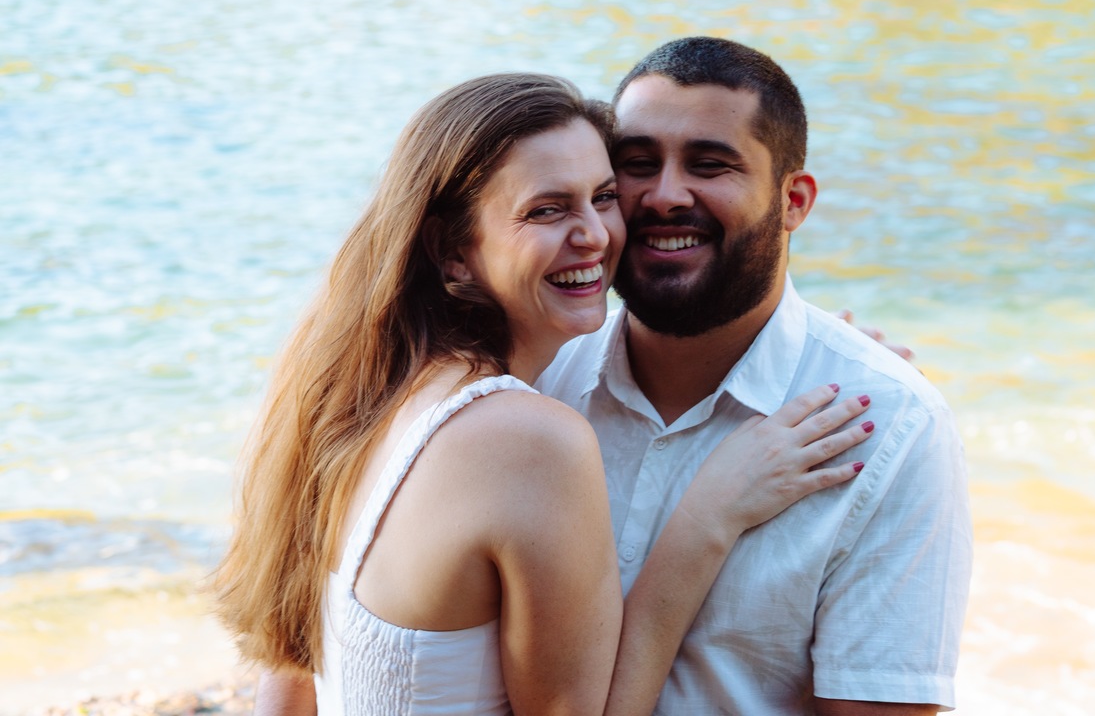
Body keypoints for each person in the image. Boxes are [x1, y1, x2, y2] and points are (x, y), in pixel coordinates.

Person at [212, 72, 878, 715]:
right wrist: (708, 516)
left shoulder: (363, 398)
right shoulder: (527, 438)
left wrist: (821, 353)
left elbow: (292, 679)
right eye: (547, 210)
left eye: (604, 197)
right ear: (452, 250)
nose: (596, 235)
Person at [536, 36, 973, 714]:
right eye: (637, 164)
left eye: (710, 165)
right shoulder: (535, 380)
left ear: (793, 200)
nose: (664, 196)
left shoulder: (890, 426)